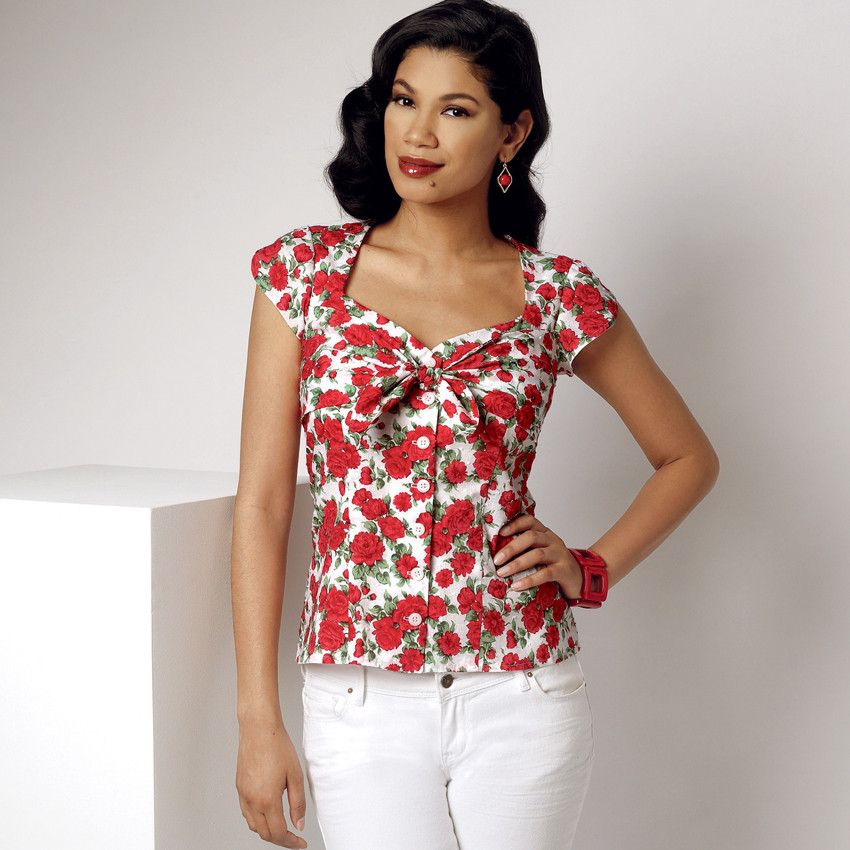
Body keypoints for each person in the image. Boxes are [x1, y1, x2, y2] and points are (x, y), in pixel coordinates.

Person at [231, 1, 719, 848]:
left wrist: (591, 568)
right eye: (403, 100)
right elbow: (265, 502)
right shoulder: (304, 275)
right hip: (360, 699)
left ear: (511, 133)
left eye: (455, 110)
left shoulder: (557, 294)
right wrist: (255, 718)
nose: (418, 133)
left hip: (523, 692)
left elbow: (687, 457)